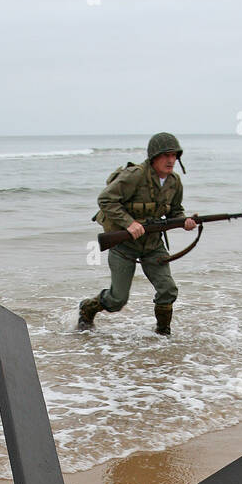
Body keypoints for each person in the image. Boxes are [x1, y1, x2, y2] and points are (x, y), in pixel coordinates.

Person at [78, 132, 197, 336]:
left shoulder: (174, 182)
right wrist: (129, 223)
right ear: (154, 157)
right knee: (117, 300)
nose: (171, 160)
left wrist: (184, 221)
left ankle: (163, 335)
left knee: (168, 290)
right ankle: (87, 309)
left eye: (174, 155)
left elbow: (175, 211)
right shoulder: (134, 176)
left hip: (152, 244)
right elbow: (105, 200)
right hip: (124, 244)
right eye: (166, 155)